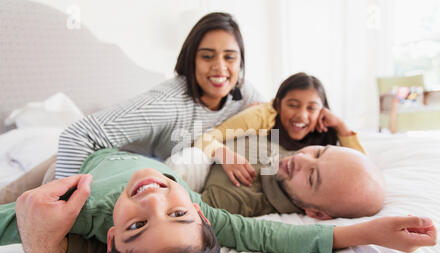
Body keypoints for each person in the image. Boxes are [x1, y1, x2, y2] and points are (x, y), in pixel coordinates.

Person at [0, 148, 437, 253]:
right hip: (129, 150)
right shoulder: (197, 206)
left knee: (13, 194)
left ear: (112, 239)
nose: (154, 201)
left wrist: (36, 227)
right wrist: (365, 230)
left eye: (137, 227)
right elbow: (270, 234)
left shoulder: (83, 209)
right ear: (203, 216)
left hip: (67, 166)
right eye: (177, 214)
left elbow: (20, 223)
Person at [0, 12, 264, 204]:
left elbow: (273, 115)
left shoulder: (243, 93)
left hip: (142, 164)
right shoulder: (167, 103)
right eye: (207, 56)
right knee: (15, 200)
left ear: (240, 62)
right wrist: (68, 211)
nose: (220, 67)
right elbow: (78, 135)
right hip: (95, 154)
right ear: (190, 59)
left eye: (230, 57)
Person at [194, 72, 360, 187]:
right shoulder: (260, 116)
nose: (302, 116)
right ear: (278, 104)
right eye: (293, 105)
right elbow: (206, 138)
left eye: (311, 108)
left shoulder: (325, 126)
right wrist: (224, 154)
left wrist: (341, 126)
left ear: (323, 110)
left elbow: (360, 168)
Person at [199, 141, 385, 220]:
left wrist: (216, 150)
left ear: (317, 214)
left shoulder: (232, 198)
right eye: (319, 152)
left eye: (312, 176)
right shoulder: (288, 156)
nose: (301, 159)